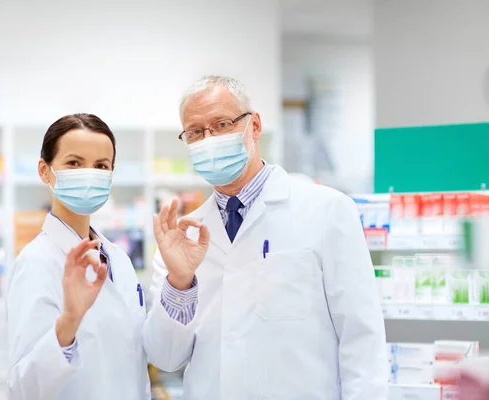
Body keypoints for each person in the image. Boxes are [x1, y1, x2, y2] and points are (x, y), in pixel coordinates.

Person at [142, 76, 388, 399]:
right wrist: (179, 283)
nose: (208, 139)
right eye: (195, 132)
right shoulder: (182, 237)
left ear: (254, 126)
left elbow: (362, 340)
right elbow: (165, 357)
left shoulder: (328, 211)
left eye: (221, 124)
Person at [5, 114, 150, 399]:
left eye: (101, 166)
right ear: (45, 171)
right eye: (74, 163)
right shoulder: (36, 263)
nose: (89, 174)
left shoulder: (118, 259)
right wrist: (69, 322)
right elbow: (24, 389)